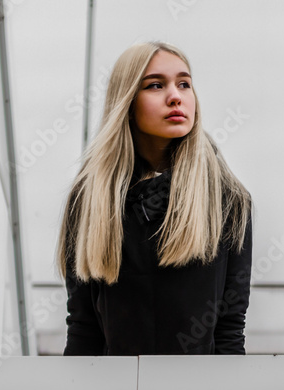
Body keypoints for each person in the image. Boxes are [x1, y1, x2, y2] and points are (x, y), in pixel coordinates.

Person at [56, 41, 253, 356]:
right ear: (127, 102)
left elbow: (230, 329)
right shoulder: (90, 199)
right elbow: (83, 329)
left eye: (184, 84)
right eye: (156, 85)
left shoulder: (226, 198)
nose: (175, 96)